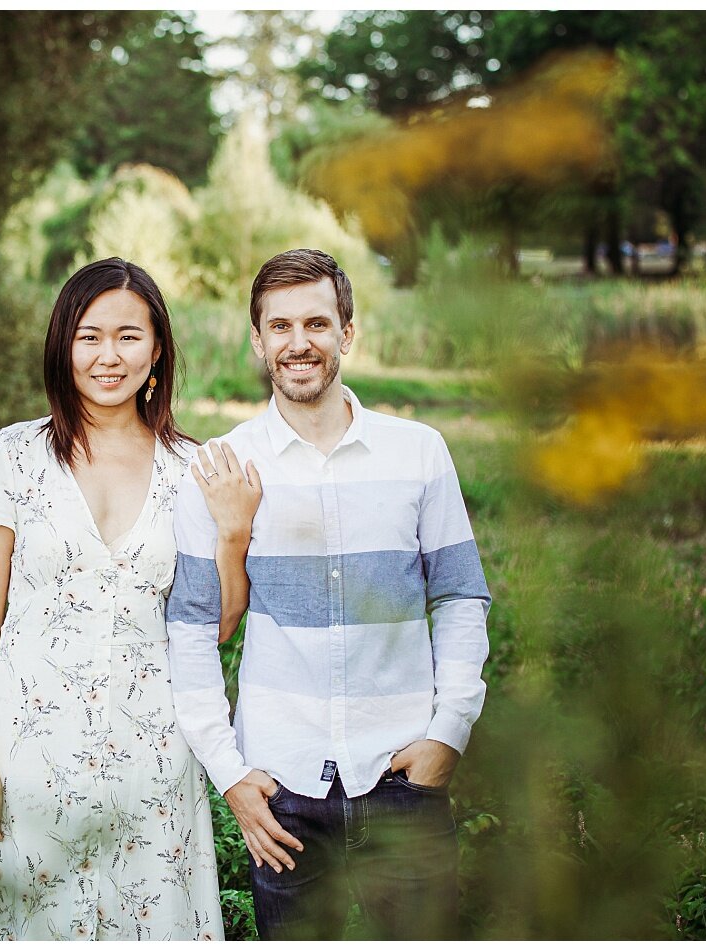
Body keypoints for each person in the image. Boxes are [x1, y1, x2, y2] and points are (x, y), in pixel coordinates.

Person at [165, 249, 492, 939]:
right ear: (257, 340)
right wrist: (229, 773)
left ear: (348, 332)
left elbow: (461, 596)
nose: (298, 342)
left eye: (317, 322)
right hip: (280, 788)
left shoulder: (420, 451)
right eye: (279, 326)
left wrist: (448, 732)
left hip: (404, 775)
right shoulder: (222, 466)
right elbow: (190, 632)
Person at [0, 258, 261, 940]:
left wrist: (233, 535)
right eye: (89, 336)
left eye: (128, 336)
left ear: (157, 349)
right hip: (29, 754)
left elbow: (216, 626)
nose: (108, 355)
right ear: (64, 346)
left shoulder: (194, 468)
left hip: (154, 753)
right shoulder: (11, 456)